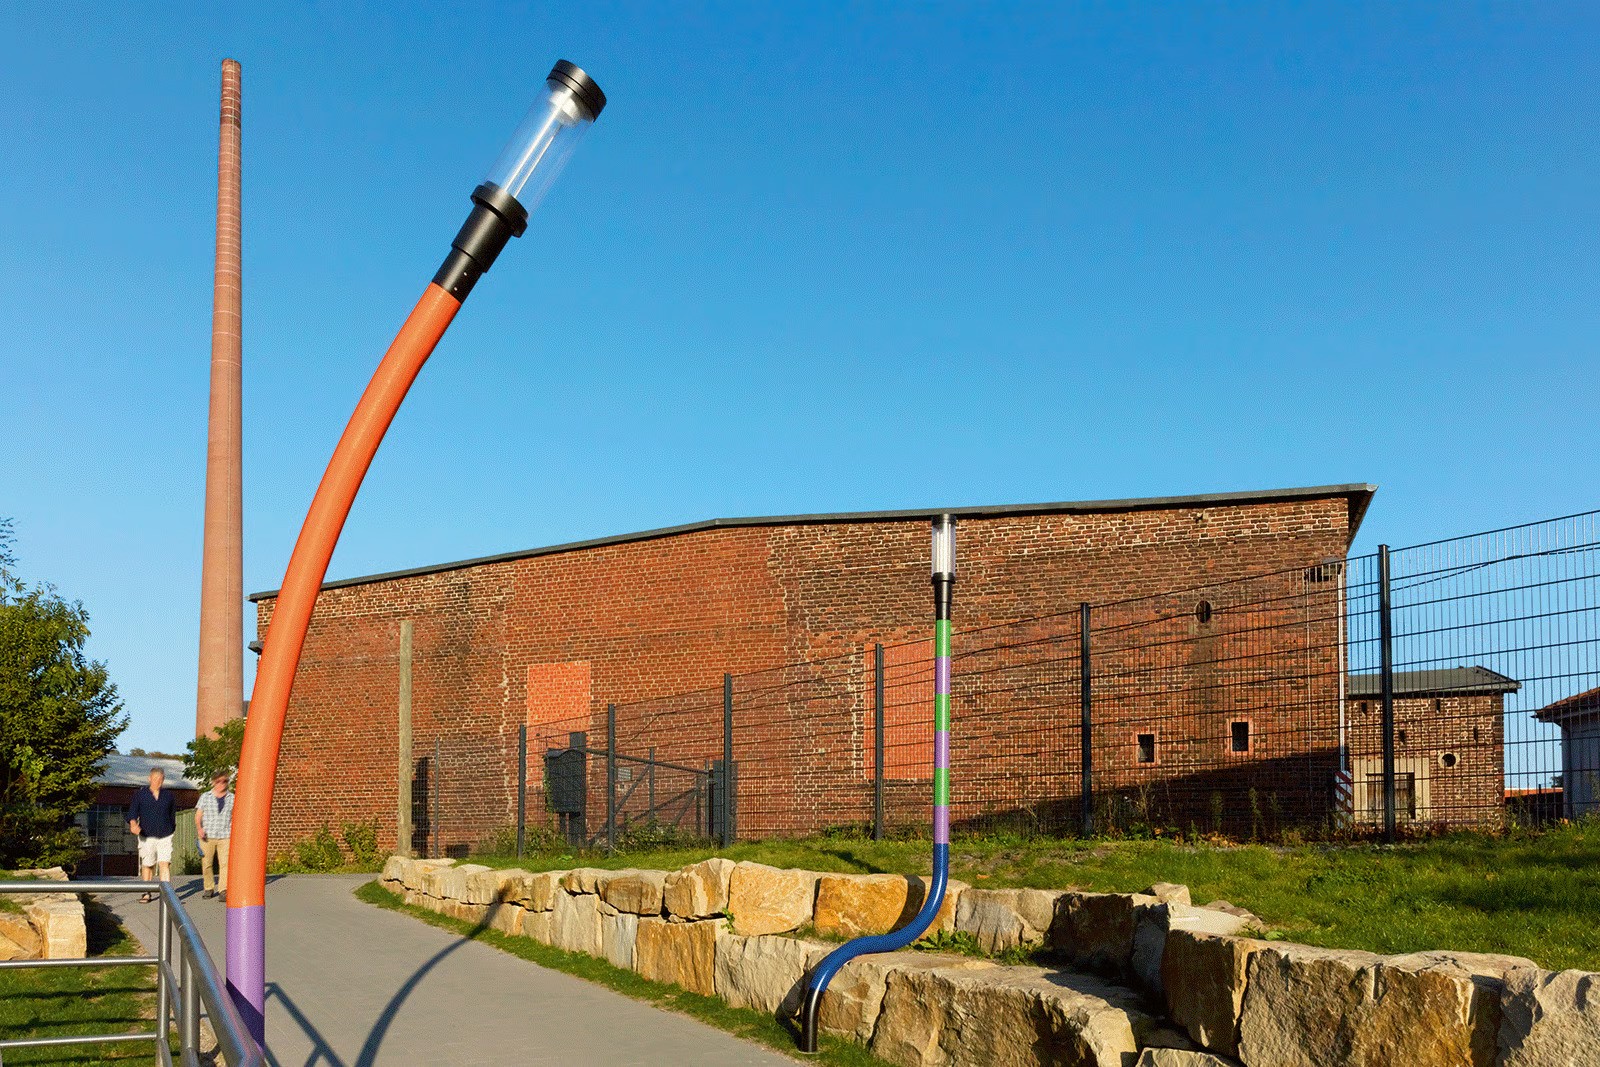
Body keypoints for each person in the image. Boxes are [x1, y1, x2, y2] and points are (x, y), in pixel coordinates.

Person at [126, 766, 177, 903]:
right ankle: (146, 892)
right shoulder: (140, 795)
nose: (157, 782)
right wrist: (133, 824)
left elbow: (172, 815)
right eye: (155, 779)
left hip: (165, 835)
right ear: (150, 779)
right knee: (148, 864)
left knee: (164, 863)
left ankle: (167, 895)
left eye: (160, 779)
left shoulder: (169, 796)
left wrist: (171, 829)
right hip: (146, 836)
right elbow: (132, 813)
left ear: (163, 780)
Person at [195, 771, 233, 899]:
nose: (222, 784)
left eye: (225, 781)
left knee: (225, 864)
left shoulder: (232, 798)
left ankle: (223, 890)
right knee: (207, 863)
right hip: (207, 835)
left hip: (225, 834)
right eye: (218, 781)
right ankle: (208, 887)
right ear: (213, 782)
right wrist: (199, 828)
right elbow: (198, 815)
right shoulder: (205, 796)